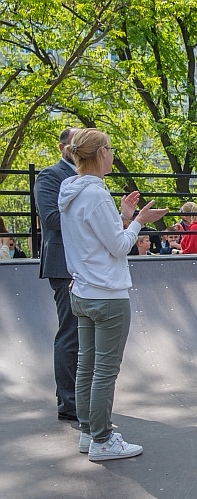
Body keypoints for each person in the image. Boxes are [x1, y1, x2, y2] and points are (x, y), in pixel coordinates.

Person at [58, 128, 168, 460]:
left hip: (83, 289)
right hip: (107, 293)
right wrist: (139, 222)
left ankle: (89, 431)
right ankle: (103, 440)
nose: (112, 154)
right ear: (101, 153)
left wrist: (124, 216)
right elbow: (120, 246)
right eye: (110, 148)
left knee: (86, 365)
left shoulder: (70, 189)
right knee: (104, 369)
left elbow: (98, 238)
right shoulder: (95, 194)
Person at [32, 126, 80, 421]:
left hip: (85, 264)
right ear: (62, 146)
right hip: (63, 264)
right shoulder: (50, 176)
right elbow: (50, 218)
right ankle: (69, 404)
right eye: (76, 143)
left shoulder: (88, 178)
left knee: (84, 335)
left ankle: (83, 399)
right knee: (70, 333)